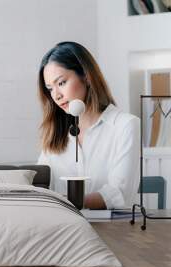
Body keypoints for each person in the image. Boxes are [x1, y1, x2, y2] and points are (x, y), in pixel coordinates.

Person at [37, 41, 140, 210]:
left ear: (85, 75)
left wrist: (64, 202)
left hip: (111, 231)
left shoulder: (125, 125)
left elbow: (119, 193)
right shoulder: (55, 133)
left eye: (61, 83)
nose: (56, 95)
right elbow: (41, 185)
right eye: (50, 88)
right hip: (62, 228)